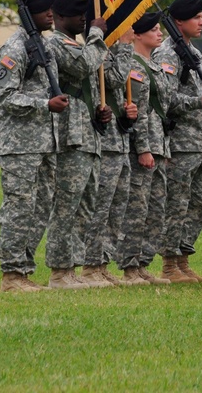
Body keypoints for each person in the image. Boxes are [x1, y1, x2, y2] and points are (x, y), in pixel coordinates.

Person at [0, 0, 64, 293]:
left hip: (44, 141)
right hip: (18, 144)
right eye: (45, 8)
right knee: (20, 206)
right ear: (29, 12)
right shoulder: (14, 49)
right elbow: (5, 97)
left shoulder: (42, 45)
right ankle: (11, 275)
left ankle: (24, 269)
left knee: (40, 205)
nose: (51, 13)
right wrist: (44, 104)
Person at [154, 0, 202, 283]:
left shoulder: (193, 53)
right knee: (176, 203)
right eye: (197, 17)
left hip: (200, 143)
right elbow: (163, 99)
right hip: (179, 144)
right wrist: (200, 102)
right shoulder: (167, 54)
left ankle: (183, 259)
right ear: (179, 21)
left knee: (197, 202)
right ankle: (169, 264)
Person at [45, 0, 110, 289]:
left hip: (87, 135)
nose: (83, 17)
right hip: (69, 138)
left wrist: (100, 110)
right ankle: (59, 271)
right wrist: (97, 31)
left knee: (85, 206)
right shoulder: (55, 43)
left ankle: (74, 268)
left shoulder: (77, 44)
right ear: (58, 17)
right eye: (76, 13)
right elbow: (84, 65)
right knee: (66, 207)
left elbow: (87, 83)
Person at [78, 31, 140, 287]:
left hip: (120, 142)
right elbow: (114, 80)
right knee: (100, 209)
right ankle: (90, 266)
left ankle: (102, 263)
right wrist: (125, 46)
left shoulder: (113, 54)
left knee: (116, 211)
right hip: (104, 145)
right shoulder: (99, 54)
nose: (130, 32)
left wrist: (127, 115)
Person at [116, 11, 172, 286]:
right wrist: (144, 149)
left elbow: (161, 111)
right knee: (137, 210)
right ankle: (129, 266)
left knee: (156, 210)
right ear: (137, 34)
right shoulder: (135, 68)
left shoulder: (154, 65)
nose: (159, 33)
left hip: (160, 146)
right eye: (153, 29)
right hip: (145, 147)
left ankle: (142, 264)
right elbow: (137, 112)